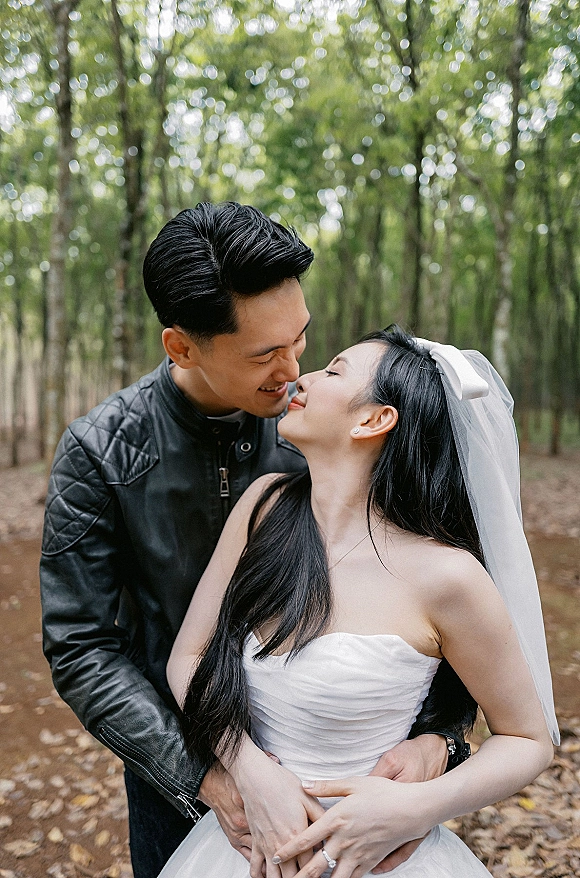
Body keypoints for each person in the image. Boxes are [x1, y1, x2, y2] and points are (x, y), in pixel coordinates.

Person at [40, 204, 472, 878]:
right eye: (266, 355)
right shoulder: (99, 453)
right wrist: (207, 776)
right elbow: (81, 646)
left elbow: (432, 604)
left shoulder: (325, 433)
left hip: (348, 793)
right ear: (181, 347)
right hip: (175, 776)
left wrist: (442, 743)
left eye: (300, 339)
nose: (295, 370)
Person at [162, 326, 558, 878]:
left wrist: (416, 808)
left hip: (380, 858)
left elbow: (527, 740)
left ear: (373, 419)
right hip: (245, 847)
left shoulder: (447, 577)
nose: (301, 376)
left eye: (333, 371)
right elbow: (188, 659)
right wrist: (248, 770)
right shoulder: (263, 508)